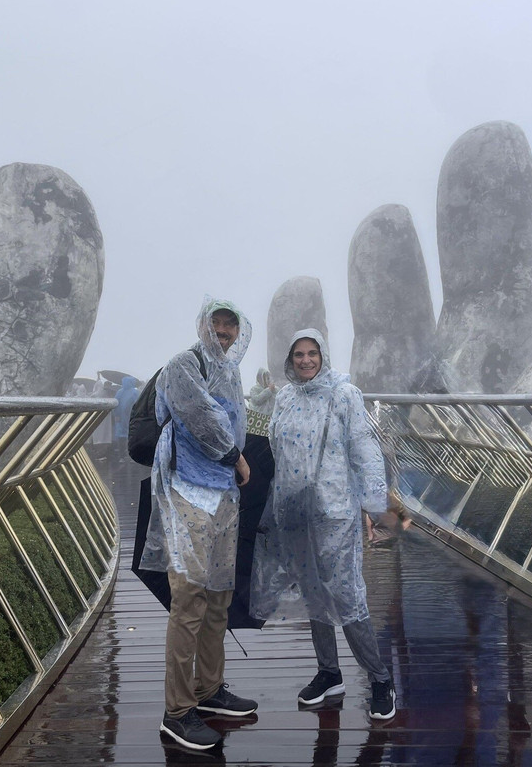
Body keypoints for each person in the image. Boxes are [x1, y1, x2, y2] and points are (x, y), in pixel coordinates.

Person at [250, 328, 397, 720]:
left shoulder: (344, 394)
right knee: (314, 590)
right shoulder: (285, 397)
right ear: (290, 360)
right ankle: (329, 672)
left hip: (335, 510)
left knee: (346, 592)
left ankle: (381, 679)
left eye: (312, 353)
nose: (305, 361)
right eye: (298, 354)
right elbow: (275, 447)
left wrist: (374, 507)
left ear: (323, 355)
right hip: (295, 512)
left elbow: (364, 449)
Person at [139, 296, 258, 750]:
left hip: (222, 493)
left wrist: (234, 462)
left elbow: (237, 420)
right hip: (186, 489)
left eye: (231, 325)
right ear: (203, 326)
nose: (224, 332)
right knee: (188, 597)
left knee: (218, 594)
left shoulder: (229, 370)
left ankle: (209, 689)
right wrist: (237, 458)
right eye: (217, 324)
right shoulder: (181, 365)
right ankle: (177, 710)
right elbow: (203, 420)